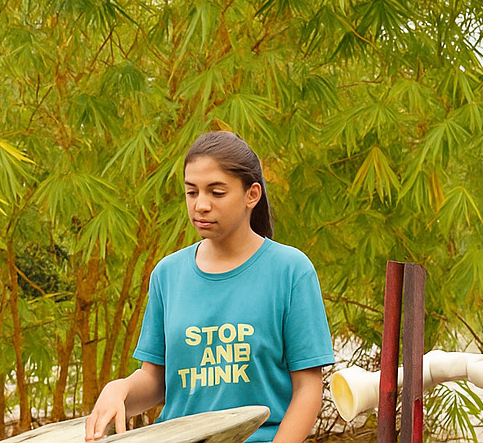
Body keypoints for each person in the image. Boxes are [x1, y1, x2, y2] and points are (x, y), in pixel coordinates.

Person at [85, 132, 334, 443]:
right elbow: (155, 381)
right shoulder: (167, 274)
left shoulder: (290, 271)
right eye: (192, 192)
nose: (201, 205)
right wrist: (118, 391)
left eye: (216, 193)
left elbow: (308, 388)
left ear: (251, 195)